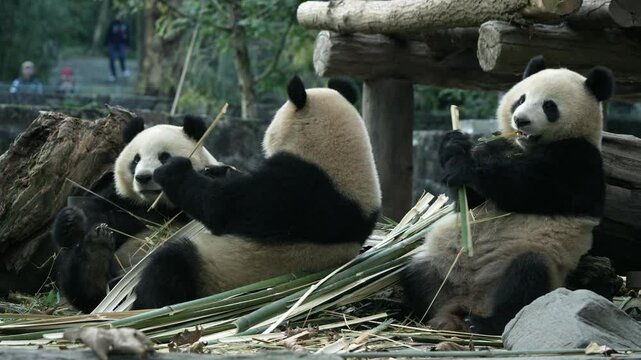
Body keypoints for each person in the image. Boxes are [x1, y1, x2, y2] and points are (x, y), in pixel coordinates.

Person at [105, 16, 130, 82]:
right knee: (112, 59)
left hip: (122, 43)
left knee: (122, 56)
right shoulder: (113, 24)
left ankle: (124, 69)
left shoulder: (125, 24)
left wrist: (128, 45)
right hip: (112, 43)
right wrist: (106, 43)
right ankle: (113, 74)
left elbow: (127, 35)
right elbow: (108, 33)